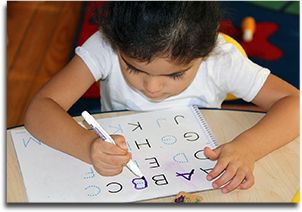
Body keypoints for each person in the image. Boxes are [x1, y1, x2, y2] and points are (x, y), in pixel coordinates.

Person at [24, 0, 300, 194]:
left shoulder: (220, 60)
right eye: (132, 68)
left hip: (195, 167)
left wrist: (249, 147)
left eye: (175, 75)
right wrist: (85, 145)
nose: (152, 87)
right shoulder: (107, 45)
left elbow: (294, 103)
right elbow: (40, 110)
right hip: (124, 163)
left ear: (204, 52)